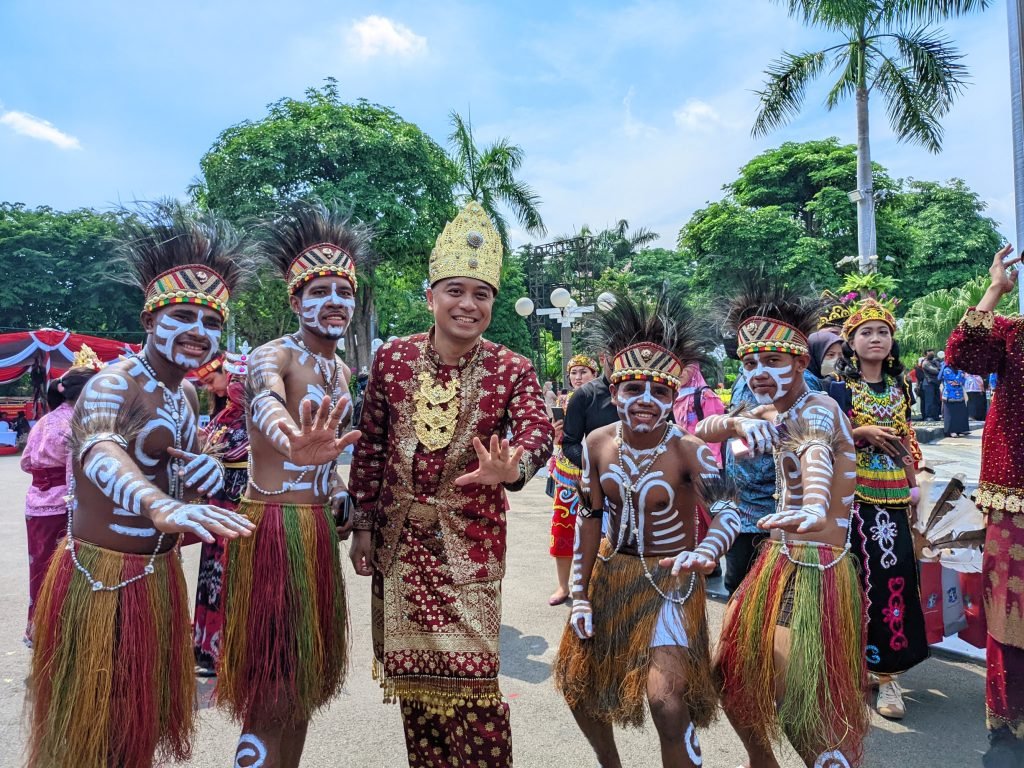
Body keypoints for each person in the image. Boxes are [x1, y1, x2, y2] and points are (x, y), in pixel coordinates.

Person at [27, 202, 256, 768]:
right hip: (101, 576)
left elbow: (178, 472)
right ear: (150, 321)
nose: (199, 332)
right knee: (91, 733)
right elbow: (99, 449)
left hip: (155, 577)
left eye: (211, 322)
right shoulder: (114, 381)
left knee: (138, 727)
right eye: (183, 316)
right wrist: (157, 504)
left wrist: (200, 476)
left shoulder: (186, 394)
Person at [348, 201, 553, 768]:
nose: (468, 304)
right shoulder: (392, 359)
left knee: (476, 691)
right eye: (455, 291)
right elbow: (370, 445)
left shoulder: (513, 368)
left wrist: (514, 468)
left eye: (481, 294)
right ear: (431, 297)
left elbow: (538, 431)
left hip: (470, 548)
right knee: (416, 690)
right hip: (399, 549)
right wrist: (362, 526)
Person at [553, 292, 741, 768]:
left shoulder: (689, 449)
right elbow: (589, 517)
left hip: (670, 584)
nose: (644, 401)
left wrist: (707, 550)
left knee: (667, 704)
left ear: (673, 397)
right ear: (613, 391)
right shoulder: (597, 444)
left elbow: (727, 511)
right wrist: (580, 594)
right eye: (633, 388)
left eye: (659, 391)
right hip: (612, 575)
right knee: (578, 689)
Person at [217, 201, 367, 768]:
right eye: (319, 290)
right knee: (272, 683)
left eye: (344, 291)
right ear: (296, 301)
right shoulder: (271, 355)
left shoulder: (341, 370)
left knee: (304, 682)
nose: (334, 301)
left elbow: (325, 458)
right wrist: (289, 440)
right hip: (274, 529)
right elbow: (266, 404)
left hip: (316, 529)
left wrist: (338, 489)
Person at [697, 280, 868, 768]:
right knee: (729, 676)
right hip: (775, 557)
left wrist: (814, 506)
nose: (759, 373)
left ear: (800, 363)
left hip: (814, 566)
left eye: (772, 360)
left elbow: (813, 449)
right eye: (750, 363)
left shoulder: (818, 408)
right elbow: (702, 429)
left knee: (798, 704)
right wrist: (735, 423)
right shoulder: (771, 409)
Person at [827, 298, 927, 720]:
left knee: (893, 583)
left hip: (895, 500)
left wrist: (914, 485)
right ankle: (849, 669)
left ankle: (889, 678)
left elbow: (906, 440)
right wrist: (859, 430)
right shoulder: (835, 389)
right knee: (849, 585)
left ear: (892, 341)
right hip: (851, 500)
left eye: (882, 332)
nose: (875, 339)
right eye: (865, 332)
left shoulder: (900, 388)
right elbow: (820, 439)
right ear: (850, 343)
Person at [945, 244, 1024, 767]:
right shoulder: (1013, 334)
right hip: (1016, 496)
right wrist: (995, 289)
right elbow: (960, 356)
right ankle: (1010, 728)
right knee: (1012, 616)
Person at [19, 352, 100, 645]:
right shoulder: (78, 424)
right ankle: (60, 632)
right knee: (64, 570)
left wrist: (44, 479)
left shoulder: (44, 421)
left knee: (39, 567)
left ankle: (37, 629)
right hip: (61, 506)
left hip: (35, 503)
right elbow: (73, 476)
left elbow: (26, 462)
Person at [192, 351, 249, 677]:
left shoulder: (251, 414)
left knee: (230, 575)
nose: (209, 388)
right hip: (219, 502)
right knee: (212, 574)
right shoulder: (224, 414)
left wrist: (207, 448)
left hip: (238, 502)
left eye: (211, 380)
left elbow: (231, 450)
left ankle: (227, 652)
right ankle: (207, 647)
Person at [548, 353, 599, 606]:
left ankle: (594, 582)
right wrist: (554, 432)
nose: (578, 377)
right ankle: (563, 585)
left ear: (595, 375)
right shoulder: (563, 401)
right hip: (568, 475)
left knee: (599, 530)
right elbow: (558, 440)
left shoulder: (604, 399)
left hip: (598, 473)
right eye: (574, 373)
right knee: (563, 529)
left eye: (584, 372)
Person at [940, 360, 970, 437]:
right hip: (949, 394)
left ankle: (961, 429)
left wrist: (959, 380)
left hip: (959, 393)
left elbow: (963, 381)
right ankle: (951, 431)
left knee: (960, 412)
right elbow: (953, 381)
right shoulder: (946, 370)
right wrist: (959, 378)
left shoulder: (960, 370)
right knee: (950, 414)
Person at [921, 349, 942, 420]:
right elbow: (935, 371)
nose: (931, 354)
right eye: (929, 353)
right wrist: (940, 369)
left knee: (936, 400)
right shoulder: (925, 363)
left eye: (932, 353)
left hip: (935, 383)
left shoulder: (935, 362)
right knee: (929, 401)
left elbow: (940, 368)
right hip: (928, 384)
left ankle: (935, 415)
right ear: (925, 355)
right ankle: (928, 416)